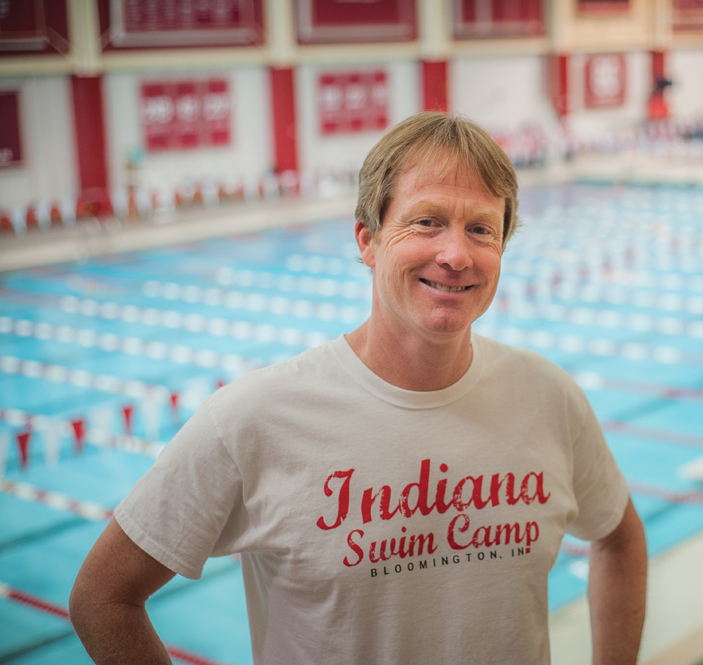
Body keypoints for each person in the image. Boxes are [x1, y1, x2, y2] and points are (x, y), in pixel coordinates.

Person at [70, 112, 647, 664]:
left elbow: (620, 541)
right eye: (426, 221)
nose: (455, 254)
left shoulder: (549, 396)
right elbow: (102, 598)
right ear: (368, 240)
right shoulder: (255, 417)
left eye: (481, 230)